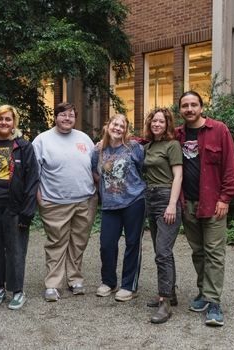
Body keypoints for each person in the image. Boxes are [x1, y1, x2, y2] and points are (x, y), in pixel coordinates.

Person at [175, 91, 234, 327]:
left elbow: (230, 165)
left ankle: (214, 302)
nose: (189, 109)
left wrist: (226, 198)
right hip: (188, 203)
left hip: (213, 203)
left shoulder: (219, 130)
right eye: (185, 106)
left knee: (214, 252)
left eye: (193, 105)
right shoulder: (177, 134)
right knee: (198, 251)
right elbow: (151, 140)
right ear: (180, 110)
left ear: (202, 107)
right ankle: (203, 292)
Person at [32, 102, 98, 301]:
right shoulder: (42, 140)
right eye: (63, 115)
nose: (67, 119)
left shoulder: (84, 138)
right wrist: (40, 200)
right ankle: (52, 284)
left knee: (79, 242)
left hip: (85, 201)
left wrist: (95, 189)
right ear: (55, 117)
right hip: (54, 202)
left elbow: (95, 165)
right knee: (56, 243)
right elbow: (33, 175)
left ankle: (75, 280)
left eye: (71, 115)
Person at [0, 105, 40, 310]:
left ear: (14, 123)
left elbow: (32, 181)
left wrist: (27, 211)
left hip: (15, 205)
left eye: (8, 119)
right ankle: (0, 286)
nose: (4, 123)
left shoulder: (23, 147)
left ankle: (18, 291)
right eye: (0, 119)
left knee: (16, 248)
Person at [91, 114, 146, 302]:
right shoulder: (97, 151)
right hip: (110, 205)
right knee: (107, 244)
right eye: (115, 124)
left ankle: (129, 286)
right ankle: (109, 282)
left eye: (122, 125)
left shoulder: (134, 148)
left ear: (126, 129)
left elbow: (144, 170)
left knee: (132, 244)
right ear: (108, 126)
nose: (117, 128)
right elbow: (95, 174)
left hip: (134, 201)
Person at [142, 108, 183, 324]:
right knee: (161, 250)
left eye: (161, 121)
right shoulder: (148, 146)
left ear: (168, 124)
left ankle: (164, 302)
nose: (157, 124)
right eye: (154, 121)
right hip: (151, 197)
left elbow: (178, 176)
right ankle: (171, 294)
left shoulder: (172, 145)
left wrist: (172, 205)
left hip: (167, 197)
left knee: (163, 252)